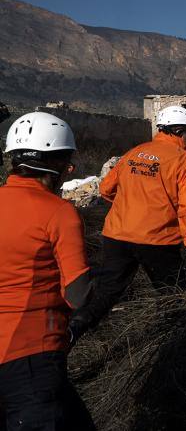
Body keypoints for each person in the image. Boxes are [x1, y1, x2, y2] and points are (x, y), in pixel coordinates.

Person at [69, 106, 186, 340]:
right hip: (158, 240)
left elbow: (105, 189)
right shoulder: (183, 160)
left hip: (116, 236)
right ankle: (173, 343)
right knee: (173, 294)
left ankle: (73, 330)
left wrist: (129, 206)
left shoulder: (135, 152)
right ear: (180, 132)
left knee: (106, 292)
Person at [0, 112, 95, 429]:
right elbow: (78, 293)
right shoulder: (58, 212)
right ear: (54, 164)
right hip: (31, 352)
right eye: (67, 164)